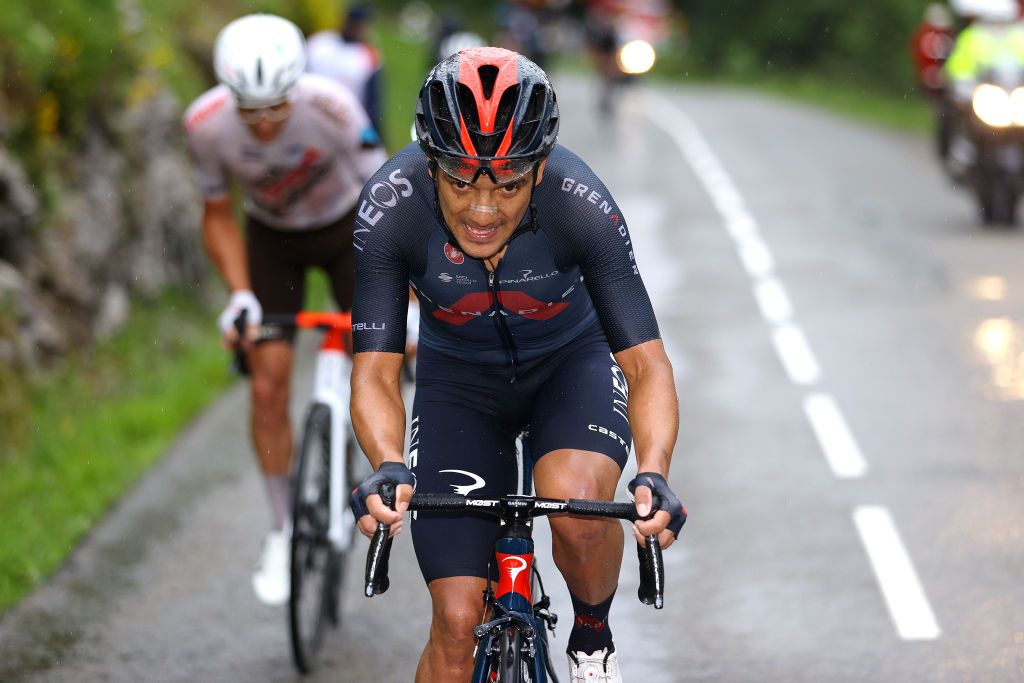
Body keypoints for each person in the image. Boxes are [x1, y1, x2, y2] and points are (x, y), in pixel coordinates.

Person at [348, 47, 686, 683]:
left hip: (570, 366)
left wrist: (655, 472)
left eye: (507, 183)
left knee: (576, 505)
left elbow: (647, 366)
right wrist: (388, 464)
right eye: (459, 181)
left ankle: (591, 640)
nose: (483, 209)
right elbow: (374, 372)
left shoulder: (580, 204)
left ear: (539, 169)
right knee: (454, 624)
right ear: (430, 166)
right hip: (459, 386)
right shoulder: (389, 212)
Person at [182, 13, 386, 606]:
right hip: (272, 242)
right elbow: (217, 212)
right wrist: (240, 292)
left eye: (276, 107)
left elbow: (389, 199)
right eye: (251, 110)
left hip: (351, 229)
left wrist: (405, 297)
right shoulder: (205, 125)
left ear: (297, 86)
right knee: (266, 385)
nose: (266, 123)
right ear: (228, 96)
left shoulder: (334, 108)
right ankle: (282, 527)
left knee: (381, 361)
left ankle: (379, 473)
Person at [943, 0, 1024, 170]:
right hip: (984, 93)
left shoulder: (1018, 37)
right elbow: (957, 65)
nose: (998, 24)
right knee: (963, 111)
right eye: (994, 20)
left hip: (1012, 93)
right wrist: (962, 81)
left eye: (1002, 20)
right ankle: (963, 149)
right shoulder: (974, 36)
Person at [306, 3, 384, 139]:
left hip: (345, 125)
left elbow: (373, 105)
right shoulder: (318, 43)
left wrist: (374, 137)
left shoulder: (369, 56)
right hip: (309, 116)